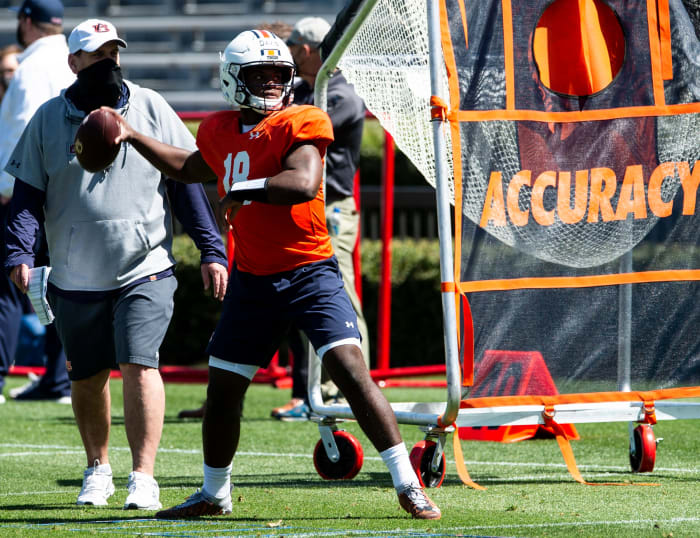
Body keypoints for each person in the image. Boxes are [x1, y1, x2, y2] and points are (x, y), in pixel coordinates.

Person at [105, 29, 441, 520]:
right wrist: (133, 136)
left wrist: (245, 188)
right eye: (258, 75)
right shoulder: (219, 130)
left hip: (310, 273)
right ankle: (214, 492)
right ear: (233, 79)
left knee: (350, 370)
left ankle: (407, 483)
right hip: (255, 281)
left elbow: (304, 182)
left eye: (277, 75)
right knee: (223, 390)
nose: (269, 85)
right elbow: (190, 166)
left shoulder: (303, 118)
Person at [4, 18, 229, 510]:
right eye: (96, 54)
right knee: (87, 375)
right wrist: (19, 252)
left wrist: (212, 249)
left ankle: (143, 477)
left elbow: (185, 181)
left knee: (138, 363)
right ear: (73, 63)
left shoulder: (149, 105)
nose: (108, 62)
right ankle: (98, 469)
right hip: (73, 272)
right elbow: (26, 197)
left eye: (114, 52)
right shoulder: (46, 118)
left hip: (144, 265)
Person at [270, 16, 370, 421]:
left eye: (293, 47)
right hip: (313, 208)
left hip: (331, 210)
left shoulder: (341, 93)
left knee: (339, 294)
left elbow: (292, 132)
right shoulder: (310, 89)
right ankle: (322, 391)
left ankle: (340, 388)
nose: (289, 54)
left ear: (308, 50)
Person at [0, 0, 75, 405]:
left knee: (9, 286)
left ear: (27, 21)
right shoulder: (70, 61)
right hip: (65, 192)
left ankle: (0, 375)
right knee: (57, 286)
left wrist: (7, 186)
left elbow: (21, 134)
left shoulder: (31, 68)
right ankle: (59, 380)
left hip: (26, 192)